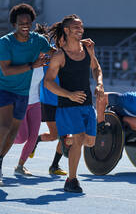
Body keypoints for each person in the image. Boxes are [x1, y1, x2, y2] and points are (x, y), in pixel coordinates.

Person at [0, 3, 55, 186]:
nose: (25, 25)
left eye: (28, 22)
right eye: (21, 22)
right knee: (5, 126)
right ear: (14, 24)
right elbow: (6, 70)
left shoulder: (38, 40)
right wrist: (31, 66)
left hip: (23, 93)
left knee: (14, 133)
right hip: (4, 89)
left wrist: (74, 49)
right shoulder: (5, 42)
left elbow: (54, 54)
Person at [45, 14, 104, 193]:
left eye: (82, 27)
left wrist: (100, 83)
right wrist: (69, 95)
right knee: (79, 139)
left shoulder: (87, 49)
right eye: (76, 27)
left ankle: (66, 140)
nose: (81, 30)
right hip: (68, 106)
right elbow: (48, 82)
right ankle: (71, 180)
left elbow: (96, 68)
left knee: (91, 142)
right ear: (67, 30)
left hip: (87, 104)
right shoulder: (60, 55)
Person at [29, 24, 67, 176]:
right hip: (49, 100)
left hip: (64, 99)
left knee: (63, 135)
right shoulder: (45, 51)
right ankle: (36, 141)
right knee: (54, 135)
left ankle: (54, 165)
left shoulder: (67, 53)